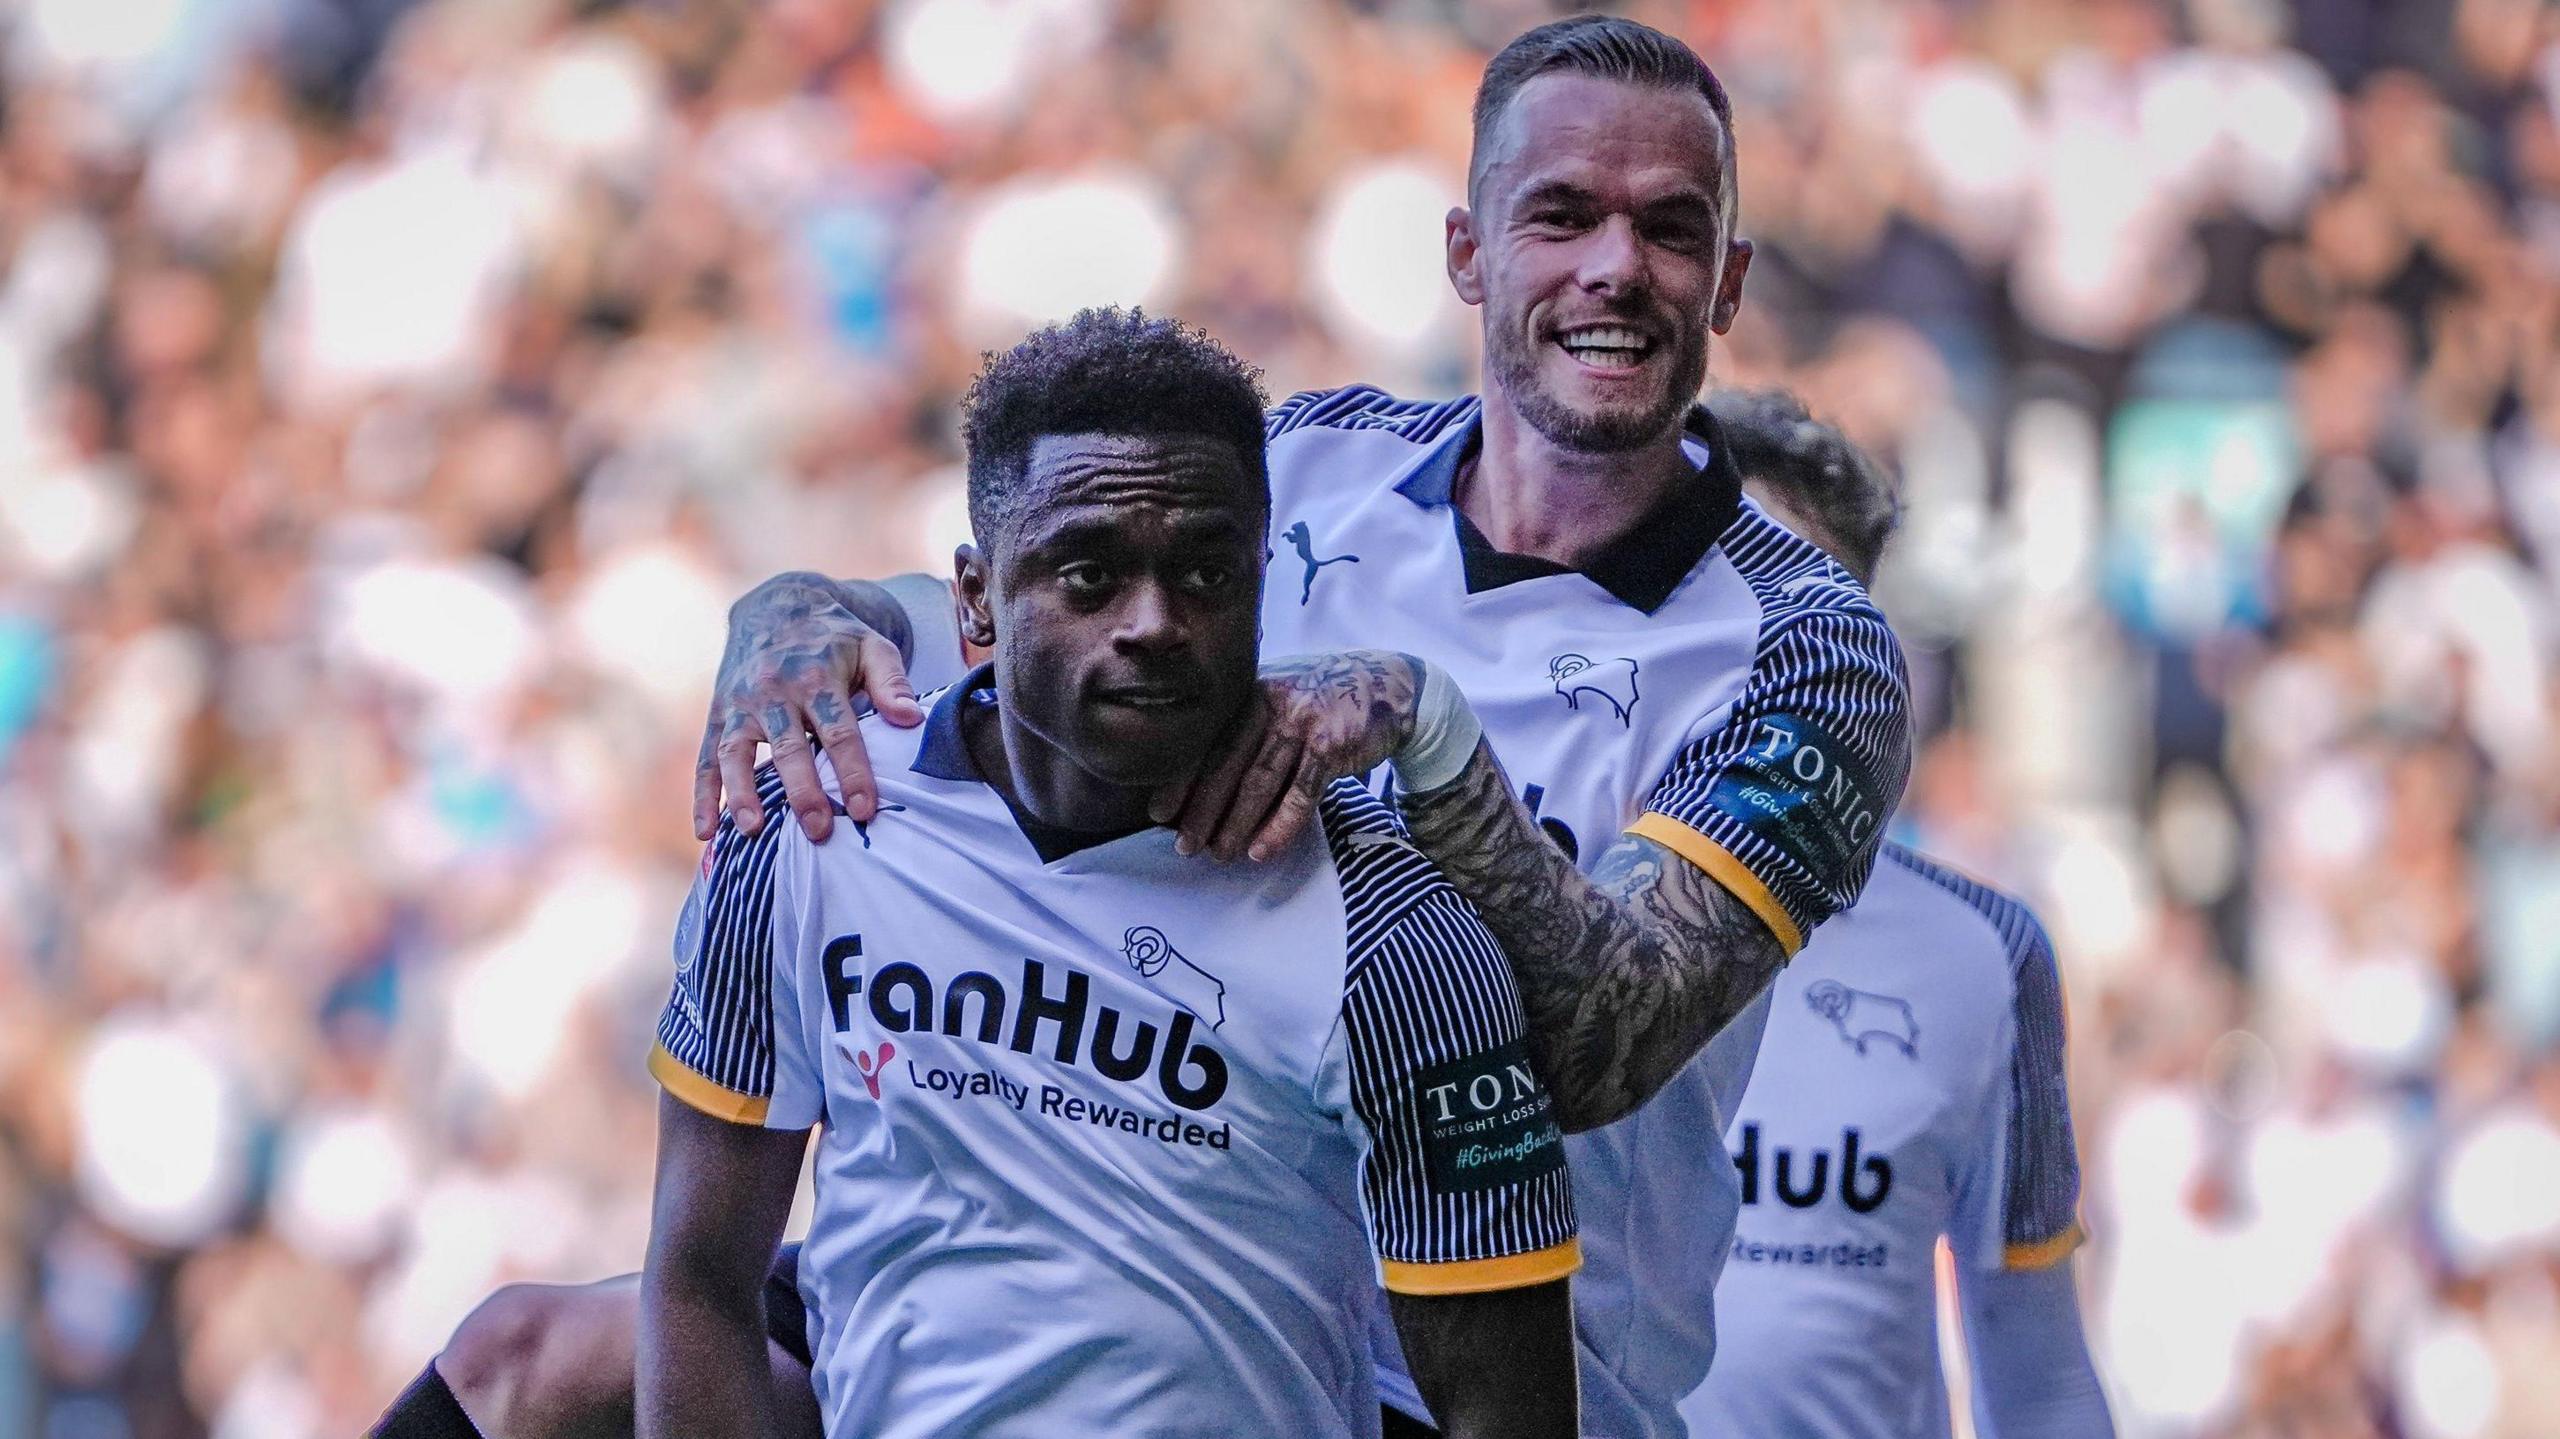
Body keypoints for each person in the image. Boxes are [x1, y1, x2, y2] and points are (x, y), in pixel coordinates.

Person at [397, 17, 1912, 1439]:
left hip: (1438, 1349)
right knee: (523, 1360)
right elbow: (987, 614)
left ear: (1728, 279)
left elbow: (1606, 1044)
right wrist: (790, 615)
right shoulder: (1313, 457)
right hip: (1090, 1206)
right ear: (1467, 251)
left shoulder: (1808, 650)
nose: (1616, 267)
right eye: (1564, 215)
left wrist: (1426, 737)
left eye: (1670, 229)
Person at [641, 308, 1580, 1439]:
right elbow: (698, 1282)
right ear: (976, 601)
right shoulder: (813, 821)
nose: (1155, 623)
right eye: (1088, 573)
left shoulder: (1392, 938)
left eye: (1205, 572)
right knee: (525, 1350)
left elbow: (1508, 1414)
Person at [1681, 393, 2113, 1439]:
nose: (1742, 646)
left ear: (1853, 649)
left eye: (1791, 609)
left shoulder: (1984, 953)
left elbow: (2038, 1367)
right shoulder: (1521, 892)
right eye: (1701, 593)